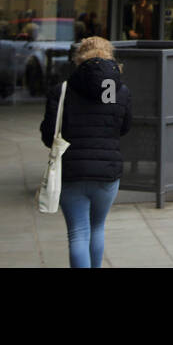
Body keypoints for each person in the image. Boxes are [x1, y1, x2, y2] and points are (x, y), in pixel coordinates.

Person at [40, 36, 132, 268]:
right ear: (110, 56)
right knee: (97, 227)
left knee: (78, 233)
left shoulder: (62, 90)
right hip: (107, 171)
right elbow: (124, 127)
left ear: (79, 58)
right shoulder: (119, 91)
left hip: (71, 171)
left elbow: (48, 135)